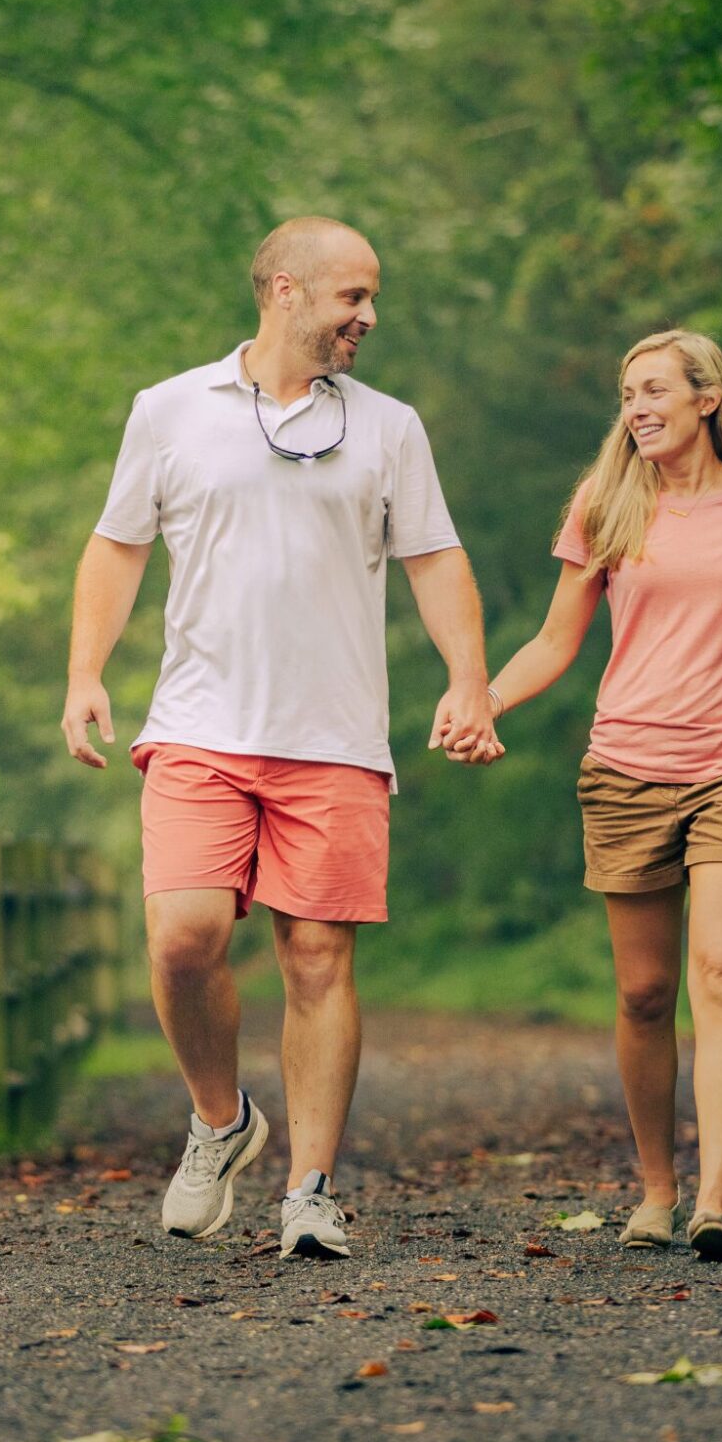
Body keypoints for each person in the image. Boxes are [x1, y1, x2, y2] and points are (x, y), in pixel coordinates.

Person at [61, 216, 496, 1259]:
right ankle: (220, 1120)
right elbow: (116, 549)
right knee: (182, 938)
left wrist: (469, 681)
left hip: (334, 734)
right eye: (352, 297)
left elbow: (435, 559)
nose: (368, 318)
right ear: (284, 289)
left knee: (314, 959)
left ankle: (309, 1189)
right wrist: (83, 672)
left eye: (371, 299)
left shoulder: (389, 428)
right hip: (200, 724)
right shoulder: (169, 411)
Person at [482, 329, 722, 1261]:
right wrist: (484, 699)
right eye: (626, 394)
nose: (636, 408)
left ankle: (716, 1199)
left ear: (706, 398)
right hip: (628, 765)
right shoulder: (607, 503)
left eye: (653, 391)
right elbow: (557, 638)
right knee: (645, 993)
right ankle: (656, 1189)